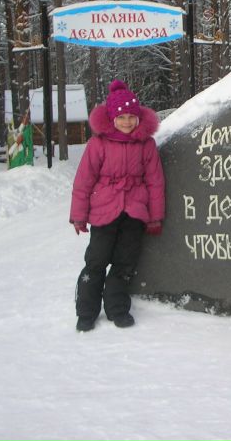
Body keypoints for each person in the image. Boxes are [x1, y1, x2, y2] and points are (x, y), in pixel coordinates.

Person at [70, 79, 165, 332]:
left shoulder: (146, 145)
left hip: (134, 211)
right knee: (96, 262)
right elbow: (84, 180)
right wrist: (79, 215)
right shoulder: (98, 144)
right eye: (121, 117)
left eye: (131, 117)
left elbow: (155, 181)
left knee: (125, 263)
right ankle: (87, 311)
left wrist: (155, 217)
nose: (126, 122)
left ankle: (117, 308)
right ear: (111, 118)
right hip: (104, 211)